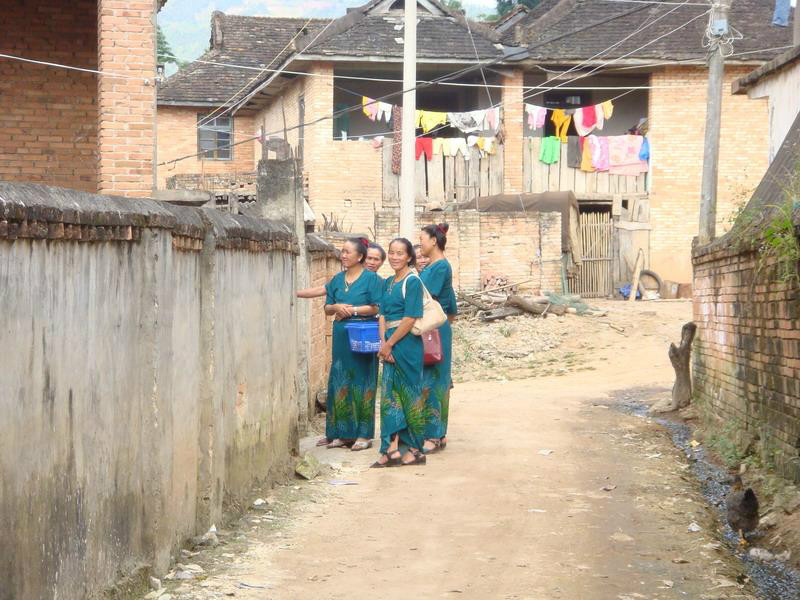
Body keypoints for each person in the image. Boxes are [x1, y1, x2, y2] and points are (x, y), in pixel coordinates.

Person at [322, 238, 384, 451]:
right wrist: (336, 307)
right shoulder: (337, 280)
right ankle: (342, 432)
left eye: (348, 252)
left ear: (360, 257)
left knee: (363, 379)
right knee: (340, 378)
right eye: (343, 252)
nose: (344, 255)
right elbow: (327, 307)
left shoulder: (371, 280)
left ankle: (363, 434)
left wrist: (353, 310)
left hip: (363, 334)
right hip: (340, 335)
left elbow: (376, 307)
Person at [372, 238, 427, 467]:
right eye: (392, 253)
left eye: (400, 253)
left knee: (409, 397)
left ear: (408, 257)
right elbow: (382, 315)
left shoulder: (412, 282)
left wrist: (391, 343)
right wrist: (383, 343)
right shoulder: (387, 283)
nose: (395, 257)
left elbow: (410, 318)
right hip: (389, 345)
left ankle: (414, 450)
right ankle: (391, 449)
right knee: (389, 399)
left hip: (407, 345)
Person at [419, 223, 458, 454]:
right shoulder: (434, 266)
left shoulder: (440, 267)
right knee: (429, 379)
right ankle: (435, 433)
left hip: (433, 330)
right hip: (434, 328)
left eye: (422, 239)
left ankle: (433, 435)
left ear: (434, 241)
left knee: (434, 381)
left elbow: (425, 298)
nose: (420, 243)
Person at [297, 243, 385, 299]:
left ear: (382, 262)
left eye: (376, 259)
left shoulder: (383, 284)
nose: (371, 263)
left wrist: (352, 311)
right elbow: (321, 290)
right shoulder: (342, 278)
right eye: (369, 258)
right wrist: (295, 294)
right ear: (360, 257)